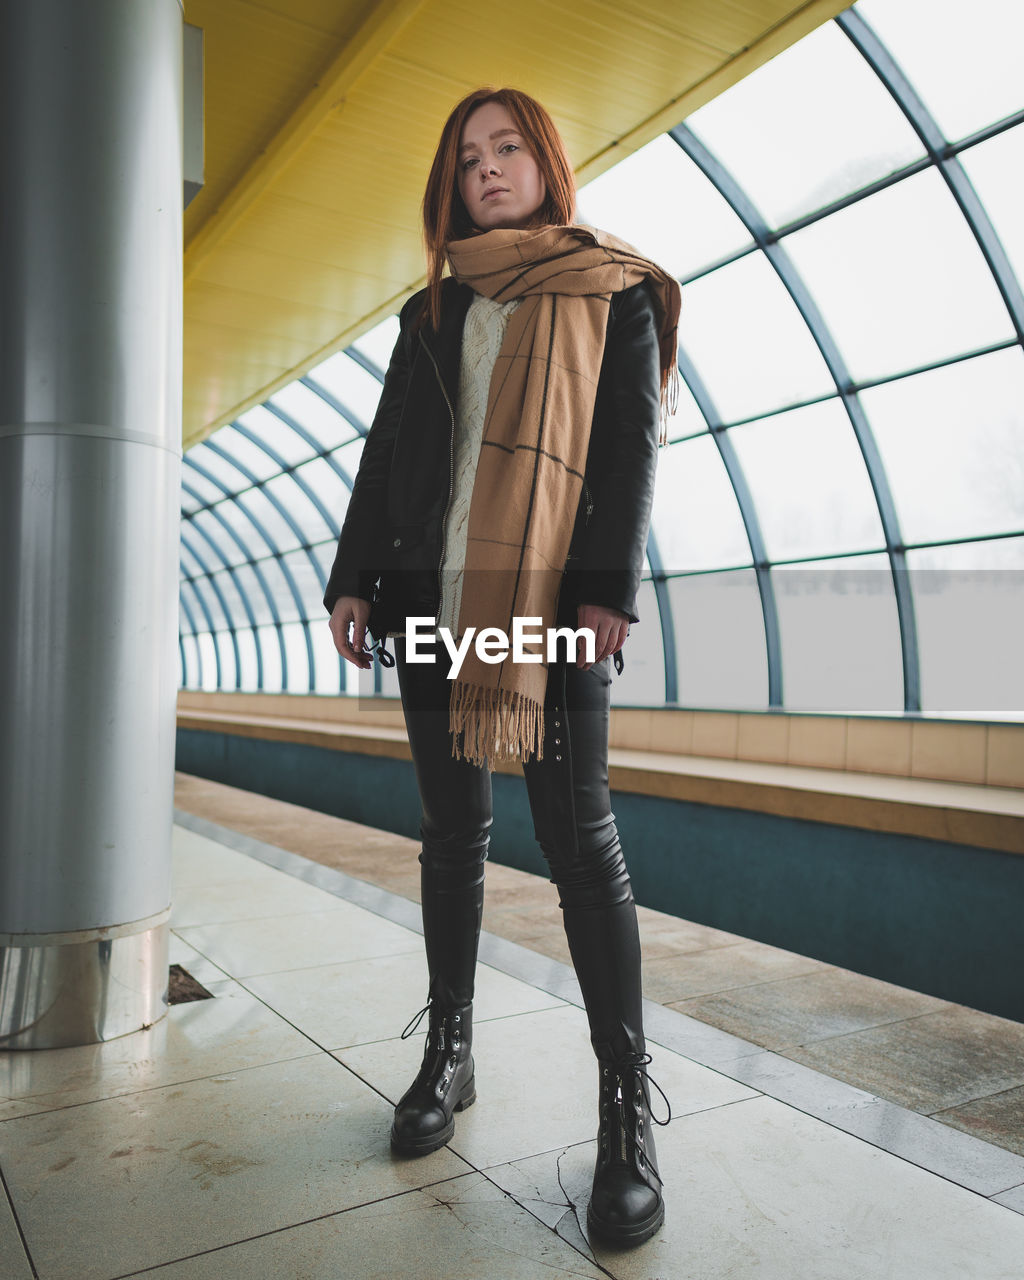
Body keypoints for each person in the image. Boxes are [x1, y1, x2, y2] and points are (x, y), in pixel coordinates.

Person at [325, 87, 680, 1248]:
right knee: (452, 830)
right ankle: (451, 1050)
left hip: (549, 605)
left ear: (545, 162)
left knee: (580, 843)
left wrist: (602, 598)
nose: (486, 168)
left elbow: (628, 447)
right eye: (467, 156)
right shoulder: (432, 308)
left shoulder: (610, 288)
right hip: (432, 596)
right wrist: (353, 576)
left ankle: (626, 1113)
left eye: (506, 146)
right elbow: (387, 452)